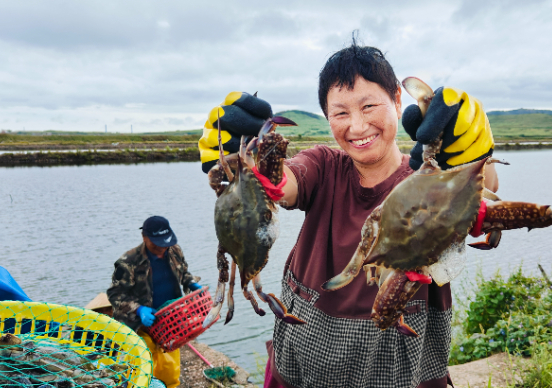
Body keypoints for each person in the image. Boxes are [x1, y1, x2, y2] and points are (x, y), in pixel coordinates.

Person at [198, 41, 498, 388]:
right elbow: (283, 182)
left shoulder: (429, 180)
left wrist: (474, 160)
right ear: (327, 119)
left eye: (369, 106)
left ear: (397, 102)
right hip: (300, 365)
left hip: (403, 369)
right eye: (340, 113)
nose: (357, 126)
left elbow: (481, 193)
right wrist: (242, 163)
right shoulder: (324, 166)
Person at [107, 216, 202, 388]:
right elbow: (115, 295)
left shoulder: (174, 251)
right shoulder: (128, 262)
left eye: (165, 244)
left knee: (170, 370)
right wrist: (139, 310)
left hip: (169, 321)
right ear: (144, 237)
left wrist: (191, 283)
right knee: (141, 366)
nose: (161, 249)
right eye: (156, 244)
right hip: (139, 325)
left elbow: (184, 274)